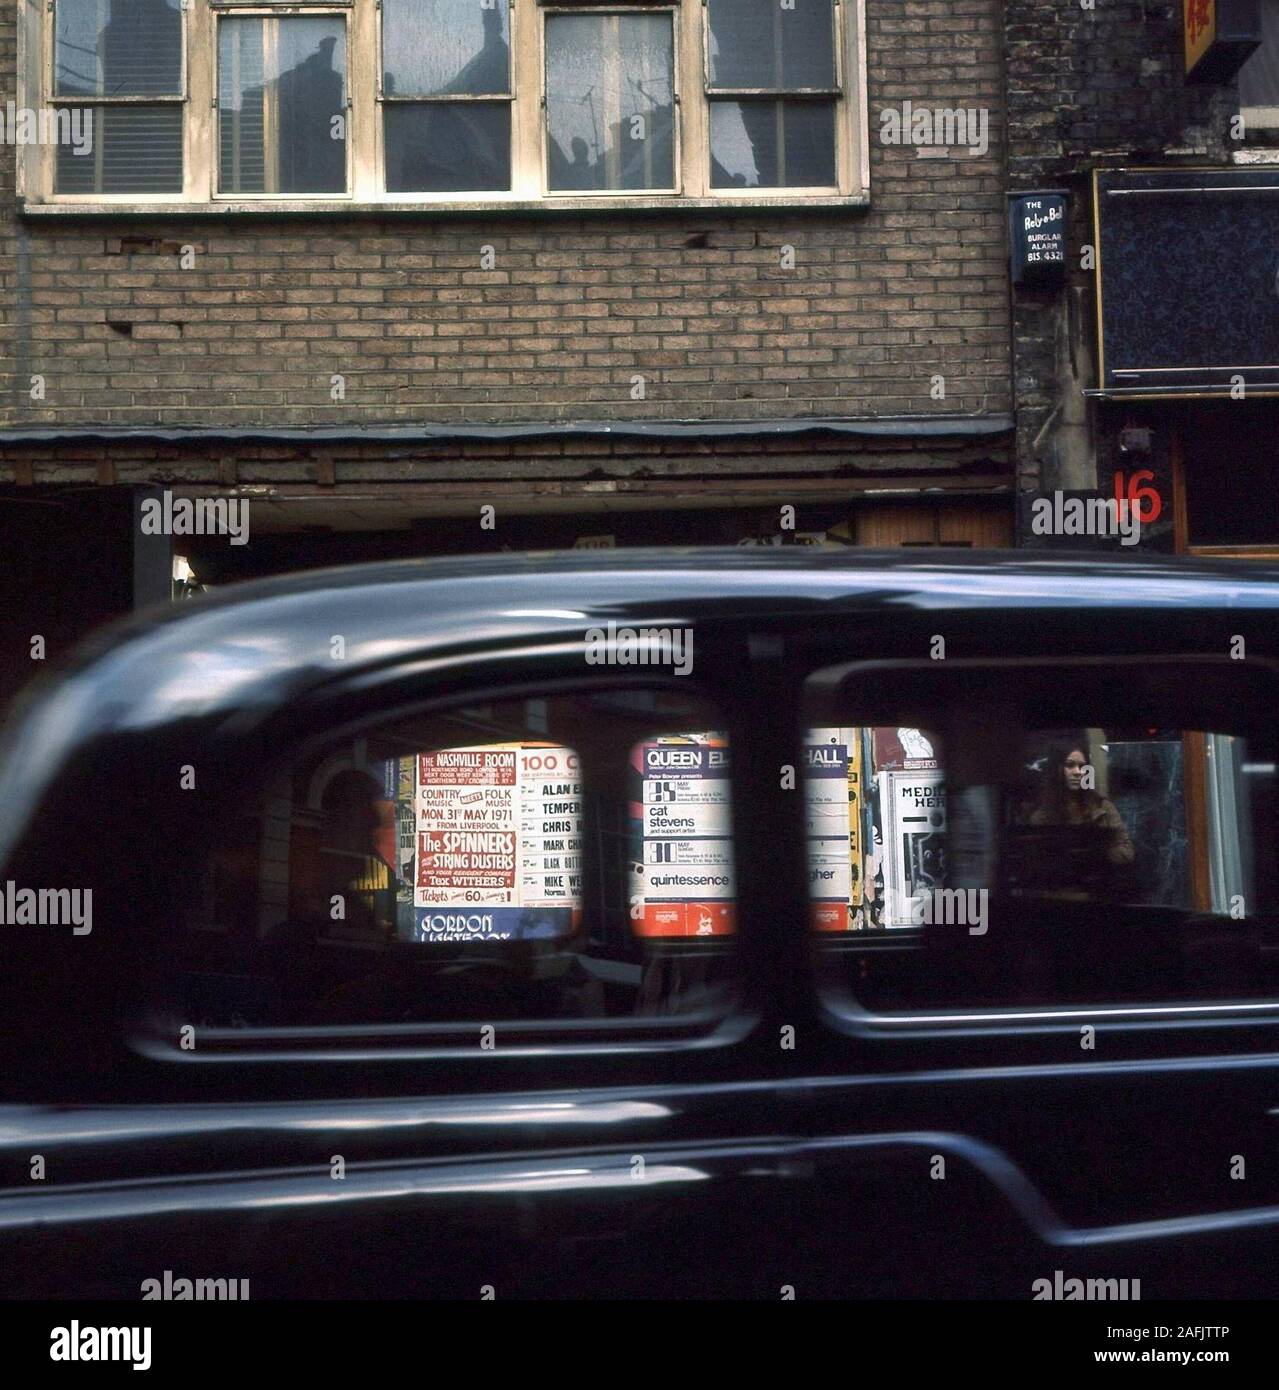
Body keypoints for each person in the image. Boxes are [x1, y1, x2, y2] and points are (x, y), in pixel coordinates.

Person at [1024, 743, 1135, 898]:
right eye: (1070, 765)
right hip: (1059, 898)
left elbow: (1127, 851)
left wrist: (1097, 855)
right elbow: (1034, 867)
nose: (1077, 772)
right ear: (1058, 769)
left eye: (1082, 766)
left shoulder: (1102, 807)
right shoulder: (1042, 816)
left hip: (1098, 894)